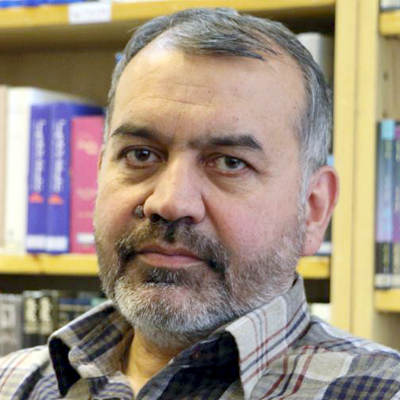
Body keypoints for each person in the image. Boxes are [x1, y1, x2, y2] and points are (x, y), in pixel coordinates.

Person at [2, 7, 400, 400]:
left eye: (230, 163)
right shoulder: (13, 383)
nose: (170, 202)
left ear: (313, 209)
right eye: (140, 154)